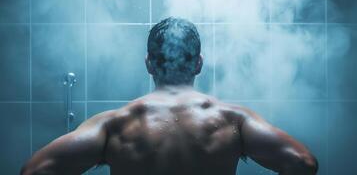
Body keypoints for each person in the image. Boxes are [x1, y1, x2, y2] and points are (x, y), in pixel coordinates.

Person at [21, 17, 318, 175]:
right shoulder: (233, 120)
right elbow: (302, 162)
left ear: (149, 63)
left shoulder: (117, 124)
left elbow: (37, 170)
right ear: (199, 63)